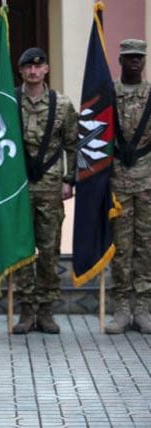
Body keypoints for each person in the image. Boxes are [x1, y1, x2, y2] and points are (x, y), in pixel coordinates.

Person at [12, 48, 78, 335]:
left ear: (47, 69)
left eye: (38, 67)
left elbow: (73, 144)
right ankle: (26, 310)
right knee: (22, 249)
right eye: (28, 67)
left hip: (51, 186)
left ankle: (46, 310)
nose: (33, 72)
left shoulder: (62, 104)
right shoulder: (10, 102)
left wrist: (69, 179)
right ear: (21, 71)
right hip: (19, 185)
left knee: (49, 249)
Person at [106, 39, 151, 334]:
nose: (134, 61)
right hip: (118, 181)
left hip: (148, 180)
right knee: (121, 248)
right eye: (129, 57)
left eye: (139, 57)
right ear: (120, 61)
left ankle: (144, 308)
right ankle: (121, 308)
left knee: (146, 246)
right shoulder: (108, 94)